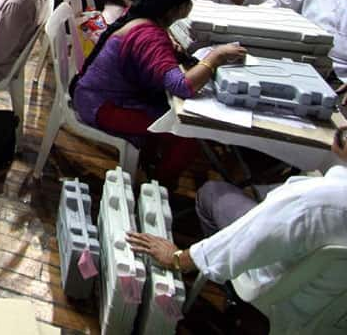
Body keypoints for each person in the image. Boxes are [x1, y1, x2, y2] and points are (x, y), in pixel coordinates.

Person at [126, 133, 347, 334]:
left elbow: (247, 239)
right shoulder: (320, 198)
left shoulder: (316, 201)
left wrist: (178, 259)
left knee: (213, 193)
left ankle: (238, 300)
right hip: (332, 308)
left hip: (282, 291)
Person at [72, 0, 246, 182]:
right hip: (101, 106)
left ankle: (151, 164)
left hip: (96, 94)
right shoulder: (150, 36)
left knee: (170, 115)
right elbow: (182, 86)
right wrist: (215, 57)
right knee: (187, 133)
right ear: (178, 9)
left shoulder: (139, 14)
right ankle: (160, 185)